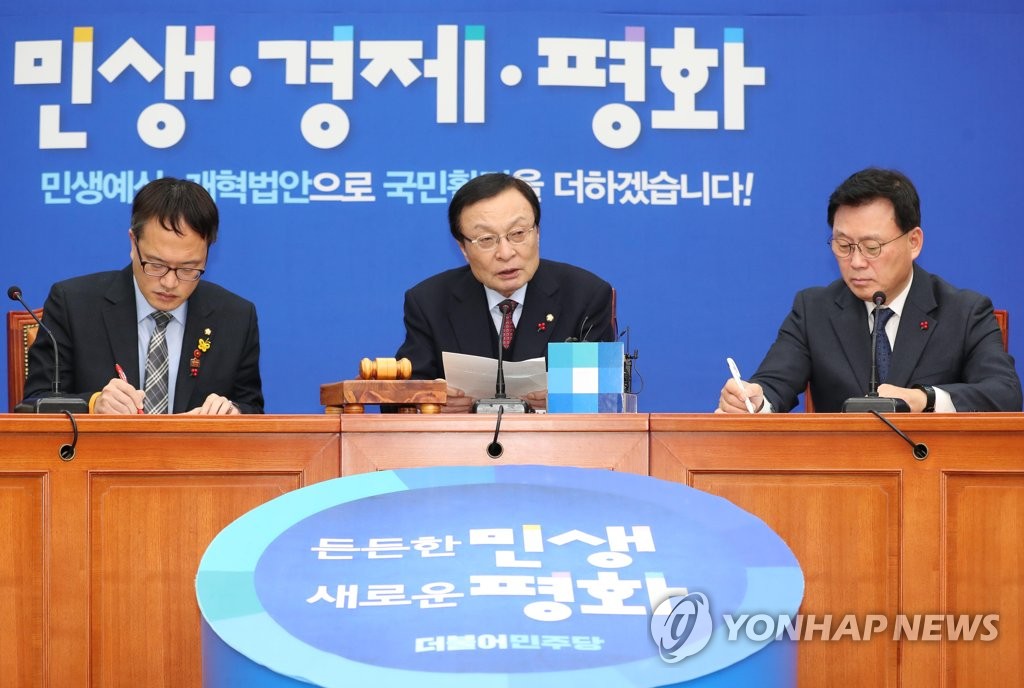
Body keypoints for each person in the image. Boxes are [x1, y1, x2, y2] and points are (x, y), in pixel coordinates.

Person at [718, 167, 1021, 414]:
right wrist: (755, 401)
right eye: (843, 245)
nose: (856, 262)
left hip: (933, 467)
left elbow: (1004, 394)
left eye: (872, 247)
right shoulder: (814, 310)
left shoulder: (964, 312)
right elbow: (773, 385)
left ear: (914, 242)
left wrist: (925, 399)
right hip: (844, 468)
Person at [23, 177, 264, 414]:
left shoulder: (236, 318)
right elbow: (34, 403)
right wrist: (94, 404)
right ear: (133, 243)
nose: (169, 283)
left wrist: (233, 414)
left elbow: (252, 409)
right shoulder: (73, 305)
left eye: (188, 269)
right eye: (156, 265)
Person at [396, 172, 615, 412]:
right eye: (486, 239)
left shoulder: (585, 296)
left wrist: (567, 402)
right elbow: (400, 398)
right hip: (461, 437)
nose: (505, 253)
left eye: (518, 233)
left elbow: (607, 400)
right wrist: (429, 403)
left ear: (537, 233)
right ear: (463, 248)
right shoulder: (429, 302)